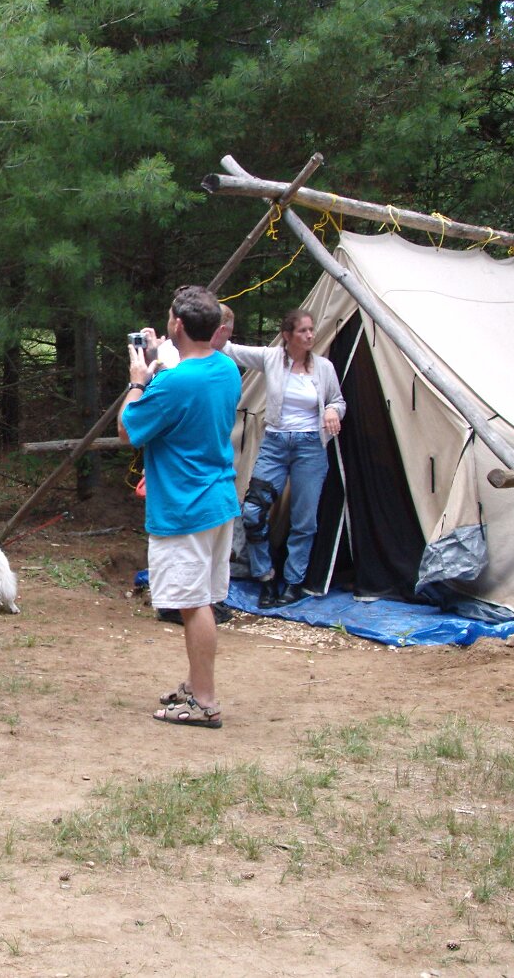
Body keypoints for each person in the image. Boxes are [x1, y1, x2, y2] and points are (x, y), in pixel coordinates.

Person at [119, 285, 241, 728]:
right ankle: (195, 684)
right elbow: (190, 385)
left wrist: (138, 379)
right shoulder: (226, 368)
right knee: (201, 599)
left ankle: (204, 702)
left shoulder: (172, 383)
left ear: (178, 325)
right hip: (218, 499)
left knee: (193, 605)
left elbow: (128, 429)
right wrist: (160, 360)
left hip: (184, 507)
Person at [224, 308, 346, 608]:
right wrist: (215, 324)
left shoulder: (324, 368)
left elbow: (337, 400)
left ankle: (293, 582)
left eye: (311, 330)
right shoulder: (272, 359)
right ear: (287, 335)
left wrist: (332, 410)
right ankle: (265, 576)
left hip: (310, 447)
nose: (310, 335)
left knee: (304, 520)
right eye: (303, 331)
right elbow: (231, 350)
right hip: (276, 445)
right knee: (253, 512)